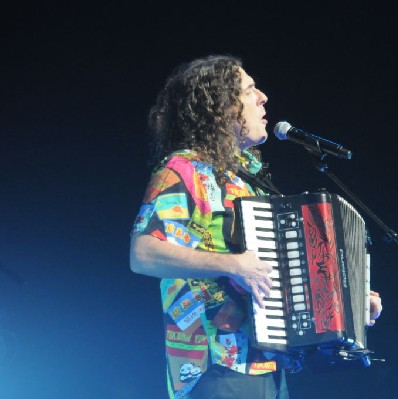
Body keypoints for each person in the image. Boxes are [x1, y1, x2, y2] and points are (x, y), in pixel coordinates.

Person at [129, 55, 383, 399]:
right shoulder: (183, 169)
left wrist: (346, 300)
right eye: (249, 90)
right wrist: (232, 264)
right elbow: (143, 253)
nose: (263, 97)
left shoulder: (249, 182)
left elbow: (280, 273)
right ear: (220, 108)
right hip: (218, 362)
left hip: (269, 363)